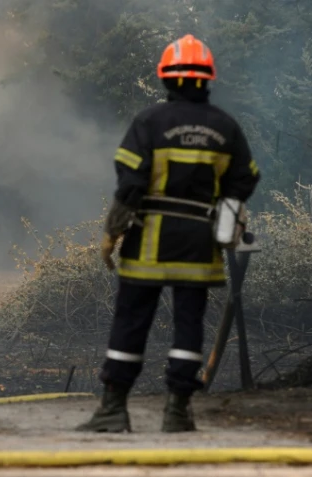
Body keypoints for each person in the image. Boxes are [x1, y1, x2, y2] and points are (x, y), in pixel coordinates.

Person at [76, 34, 260, 433]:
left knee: (131, 321)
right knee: (188, 325)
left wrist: (111, 232)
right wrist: (229, 214)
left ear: (165, 78)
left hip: (149, 241)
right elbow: (245, 180)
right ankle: (178, 411)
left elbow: (130, 183)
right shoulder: (226, 127)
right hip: (199, 244)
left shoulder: (149, 121)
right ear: (207, 78)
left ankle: (113, 409)